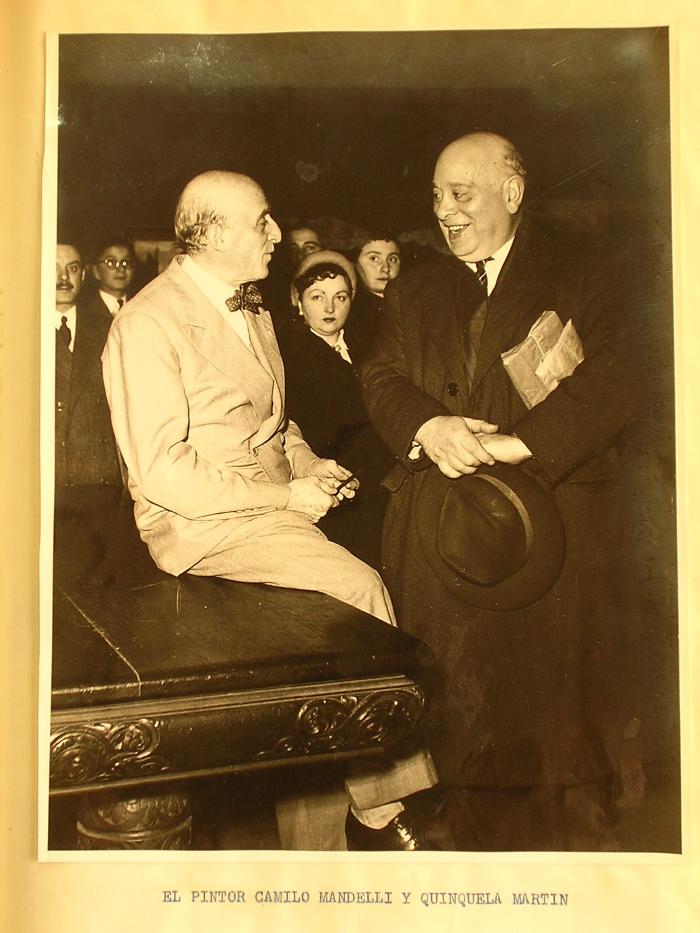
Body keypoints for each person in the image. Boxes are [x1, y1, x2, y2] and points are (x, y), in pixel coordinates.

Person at [101, 171, 437, 850]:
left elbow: (275, 424)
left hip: (267, 505)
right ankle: (382, 809)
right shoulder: (146, 323)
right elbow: (163, 473)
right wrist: (286, 496)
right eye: (262, 221)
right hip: (199, 523)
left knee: (327, 651)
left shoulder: (252, 309)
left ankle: (316, 854)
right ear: (213, 232)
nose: (277, 235)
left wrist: (308, 465)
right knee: (358, 588)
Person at [361, 132, 640, 850]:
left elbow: (621, 373)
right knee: (457, 729)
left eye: (461, 194)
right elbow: (382, 376)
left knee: (554, 746)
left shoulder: (582, 271)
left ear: (512, 193)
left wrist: (523, 443)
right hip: (442, 541)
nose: (444, 211)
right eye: (436, 196)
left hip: (552, 536)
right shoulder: (414, 287)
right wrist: (430, 425)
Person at [278, 250, 393, 569]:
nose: (330, 308)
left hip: (378, 480)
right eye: (317, 297)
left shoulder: (369, 347)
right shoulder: (289, 358)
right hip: (334, 486)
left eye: (340, 297)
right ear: (298, 302)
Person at [54, 241, 121, 488]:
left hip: (96, 474)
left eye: (72, 269)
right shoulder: (18, 328)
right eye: (54, 269)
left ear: (83, 275)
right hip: (49, 472)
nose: (63, 278)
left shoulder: (107, 328)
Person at [345, 231, 401, 365]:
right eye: (374, 259)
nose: (385, 268)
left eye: (392, 259)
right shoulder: (354, 315)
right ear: (354, 264)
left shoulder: (411, 304)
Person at [87, 236, 136, 317]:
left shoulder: (139, 305)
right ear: (96, 271)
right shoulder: (85, 309)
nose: (121, 269)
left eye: (126, 262)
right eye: (111, 262)